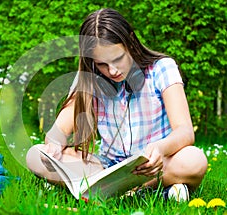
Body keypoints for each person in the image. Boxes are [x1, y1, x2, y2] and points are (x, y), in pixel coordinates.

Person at [26, 8, 208, 201]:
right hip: (106, 167)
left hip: (154, 164)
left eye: (118, 59)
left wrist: (161, 148)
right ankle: (147, 192)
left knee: (193, 160)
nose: (112, 71)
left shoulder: (162, 68)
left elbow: (185, 131)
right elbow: (59, 130)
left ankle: (118, 191)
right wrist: (53, 144)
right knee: (35, 155)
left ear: (130, 42)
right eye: (102, 64)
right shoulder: (88, 79)